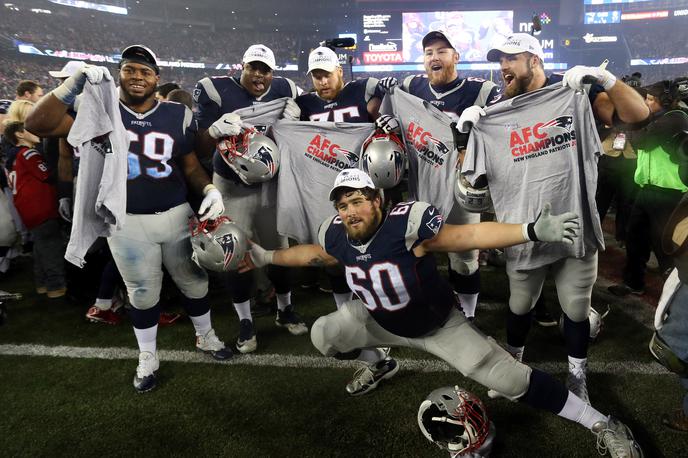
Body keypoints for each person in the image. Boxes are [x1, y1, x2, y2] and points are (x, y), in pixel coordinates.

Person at [241, 168, 642, 458]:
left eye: (358, 201)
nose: (350, 211)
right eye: (344, 205)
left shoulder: (406, 224)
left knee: (510, 379)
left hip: (437, 325)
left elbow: (466, 235)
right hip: (376, 318)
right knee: (324, 334)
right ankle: (378, 363)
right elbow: (315, 254)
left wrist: (531, 230)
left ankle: (601, 422)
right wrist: (265, 254)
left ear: (377, 199)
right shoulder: (336, 231)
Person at [25, 44, 232, 392]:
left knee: (194, 282)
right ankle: (147, 355)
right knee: (142, 293)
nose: (137, 77)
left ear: (157, 78)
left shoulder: (176, 114)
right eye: (130, 70)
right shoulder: (99, 109)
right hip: (125, 221)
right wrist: (70, 85)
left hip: (176, 213)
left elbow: (191, 165)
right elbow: (37, 123)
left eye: (145, 71)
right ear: (119, 73)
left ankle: (206, 335)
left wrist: (210, 190)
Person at [459, 33, 651, 404]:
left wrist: (604, 80)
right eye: (499, 59)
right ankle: (511, 366)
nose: (502, 66)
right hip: (524, 231)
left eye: (511, 58)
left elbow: (639, 115)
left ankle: (578, 377)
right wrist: (465, 135)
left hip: (575, 225)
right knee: (520, 305)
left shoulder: (575, 93)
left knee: (576, 307)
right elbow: (470, 190)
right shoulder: (494, 114)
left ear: (534, 59)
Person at [377, 30, 499, 321]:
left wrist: (481, 118)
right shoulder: (409, 87)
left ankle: (468, 315)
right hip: (423, 182)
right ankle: (429, 302)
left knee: (465, 257)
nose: (435, 57)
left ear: (456, 56)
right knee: (419, 247)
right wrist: (389, 113)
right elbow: (388, 120)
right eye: (429, 52)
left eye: (442, 51)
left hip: (461, 188)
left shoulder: (481, 90)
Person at [194, 44, 304, 354]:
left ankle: (285, 309)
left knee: (279, 252)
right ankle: (246, 322)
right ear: (241, 66)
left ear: (273, 72)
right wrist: (214, 131)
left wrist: (294, 117)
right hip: (230, 187)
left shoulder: (285, 89)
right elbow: (200, 147)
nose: (259, 75)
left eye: (265, 70)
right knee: (232, 254)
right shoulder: (214, 90)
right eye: (253, 67)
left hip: (270, 187)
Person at [608, 80, 688, 297]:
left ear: (666, 101)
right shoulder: (654, 118)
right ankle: (633, 282)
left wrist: (630, 121)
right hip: (647, 188)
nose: (646, 102)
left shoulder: (676, 118)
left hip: (669, 192)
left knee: (666, 247)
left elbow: (642, 141)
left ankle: (676, 295)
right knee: (635, 238)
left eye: (651, 99)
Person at [3, 120, 66, 298]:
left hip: (27, 208)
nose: (36, 132)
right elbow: (48, 174)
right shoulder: (29, 153)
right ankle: (56, 286)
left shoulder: (14, 156)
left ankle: (42, 283)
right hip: (40, 206)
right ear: (19, 134)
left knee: (40, 246)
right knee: (51, 246)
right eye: (30, 130)